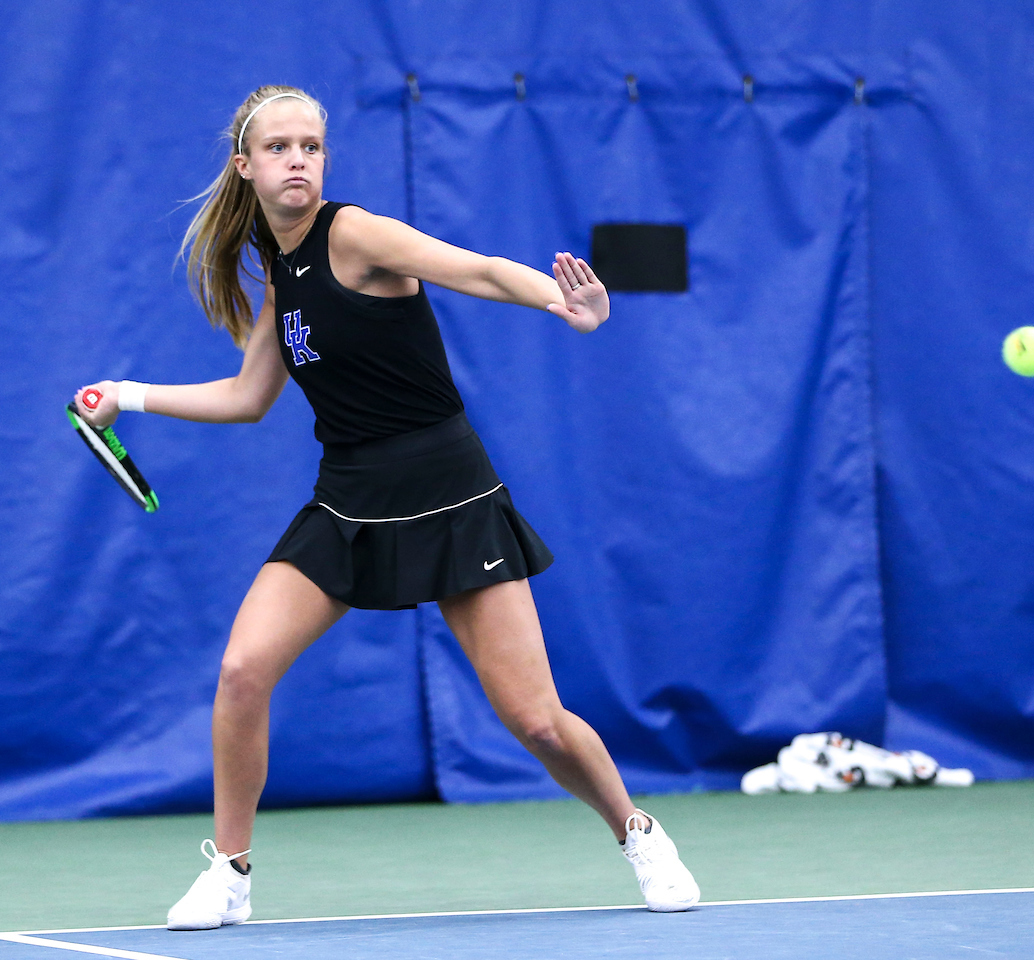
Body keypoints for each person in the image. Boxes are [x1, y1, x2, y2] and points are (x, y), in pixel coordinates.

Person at [75, 85, 699, 931]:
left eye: (310, 146)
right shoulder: (279, 273)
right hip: (348, 500)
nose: (298, 160)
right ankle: (230, 873)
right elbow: (248, 397)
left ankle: (637, 832)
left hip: (450, 491)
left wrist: (560, 301)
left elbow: (472, 267)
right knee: (243, 671)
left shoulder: (355, 234)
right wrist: (127, 394)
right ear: (245, 165)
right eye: (279, 148)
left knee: (537, 722)